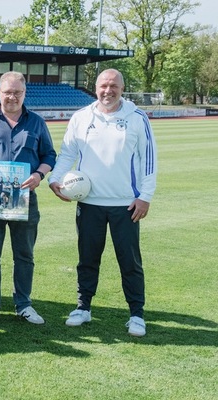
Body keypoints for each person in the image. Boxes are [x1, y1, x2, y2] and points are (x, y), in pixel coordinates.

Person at [49, 69, 157, 337]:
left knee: (129, 261)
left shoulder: (137, 117)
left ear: (122, 88)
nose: (108, 91)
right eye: (103, 86)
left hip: (126, 205)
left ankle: (136, 314)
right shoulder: (82, 117)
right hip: (88, 203)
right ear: (95, 87)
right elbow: (67, 153)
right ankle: (83, 308)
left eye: (114, 86)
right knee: (87, 258)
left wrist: (145, 197)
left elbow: (149, 158)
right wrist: (55, 178)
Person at [0, 71, 56, 325]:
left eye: (17, 92)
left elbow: (49, 156)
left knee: (24, 255)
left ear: (24, 94)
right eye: (8, 92)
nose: (12, 97)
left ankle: (23, 304)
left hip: (25, 198)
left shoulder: (36, 122)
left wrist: (39, 175)